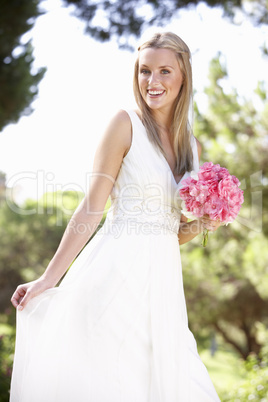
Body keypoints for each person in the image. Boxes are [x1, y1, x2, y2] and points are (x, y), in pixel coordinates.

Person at [10, 31, 221, 402]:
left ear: (184, 75)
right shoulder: (125, 123)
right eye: (144, 71)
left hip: (163, 284)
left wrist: (206, 222)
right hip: (115, 270)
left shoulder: (192, 145)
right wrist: (48, 278)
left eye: (164, 72)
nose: (152, 82)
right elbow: (92, 207)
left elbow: (170, 231)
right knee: (112, 379)